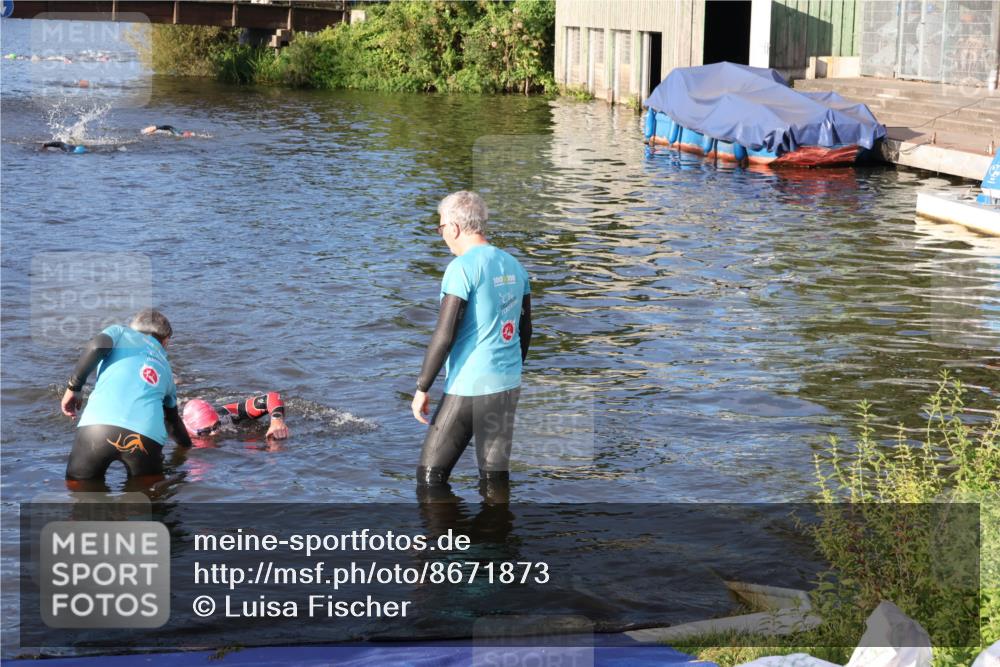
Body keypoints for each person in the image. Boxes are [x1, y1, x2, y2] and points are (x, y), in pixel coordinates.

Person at [411, 190, 532, 490]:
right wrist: (508, 371)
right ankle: (495, 534)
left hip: (469, 386)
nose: (442, 236)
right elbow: (525, 330)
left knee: (430, 477)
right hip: (507, 384)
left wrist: (422, 387)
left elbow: (444, 334)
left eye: (441, 228)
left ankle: (439, 537)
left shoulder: (462, 268)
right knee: (494, 477)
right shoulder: (514, 265)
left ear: (454, 227)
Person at [62, 309, 191, 481]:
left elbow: (96, 346)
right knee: (147, 501)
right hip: (146, 438)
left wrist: (74, 387)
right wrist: (188, 448)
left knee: (80, 494)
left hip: (97, 429)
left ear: (134, 327)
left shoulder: (120, 332)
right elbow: (172, 421)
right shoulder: (166, 369)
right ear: (165, 340)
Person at [181, 394, 290, 440]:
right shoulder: (180, 436)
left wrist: (277, 420)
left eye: (216, 426)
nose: (214, 433)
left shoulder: (225, 416)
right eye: (206, 431)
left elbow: (272, 397)